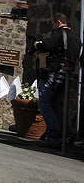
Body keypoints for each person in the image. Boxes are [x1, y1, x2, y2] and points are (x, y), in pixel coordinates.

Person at [34, 13, 80, 143]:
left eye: (53, 24)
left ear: (58, 22)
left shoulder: (60, 33)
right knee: (57, 104)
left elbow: (47, 46)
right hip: (67, 74)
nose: (53, 27)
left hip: (56, 72)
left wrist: (37, 44)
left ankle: (55, 133)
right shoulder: (76, 37)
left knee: (44, 103)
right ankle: (60, 133)